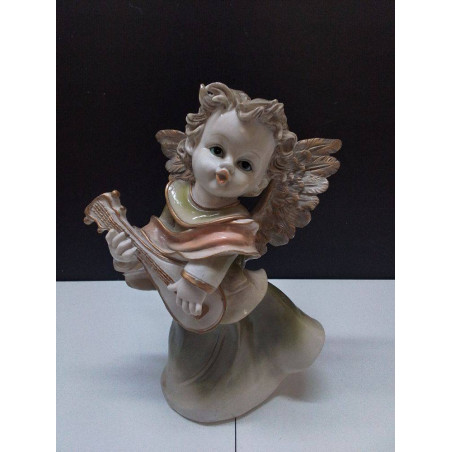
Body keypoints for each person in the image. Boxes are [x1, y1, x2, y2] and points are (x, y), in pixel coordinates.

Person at [103, 82, 341, 422]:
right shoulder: (177, 197)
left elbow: (218, 256)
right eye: (217, 150)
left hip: (226, 297)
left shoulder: (237, 224)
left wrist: (195, 283)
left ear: (259, 183)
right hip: (193, 310)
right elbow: (157, 247)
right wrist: (127, 256)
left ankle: (250, 370)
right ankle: (215, 384)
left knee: (222, 366)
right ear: (191, 146)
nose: (225, 167)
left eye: (245, 165)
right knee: (192, 371)